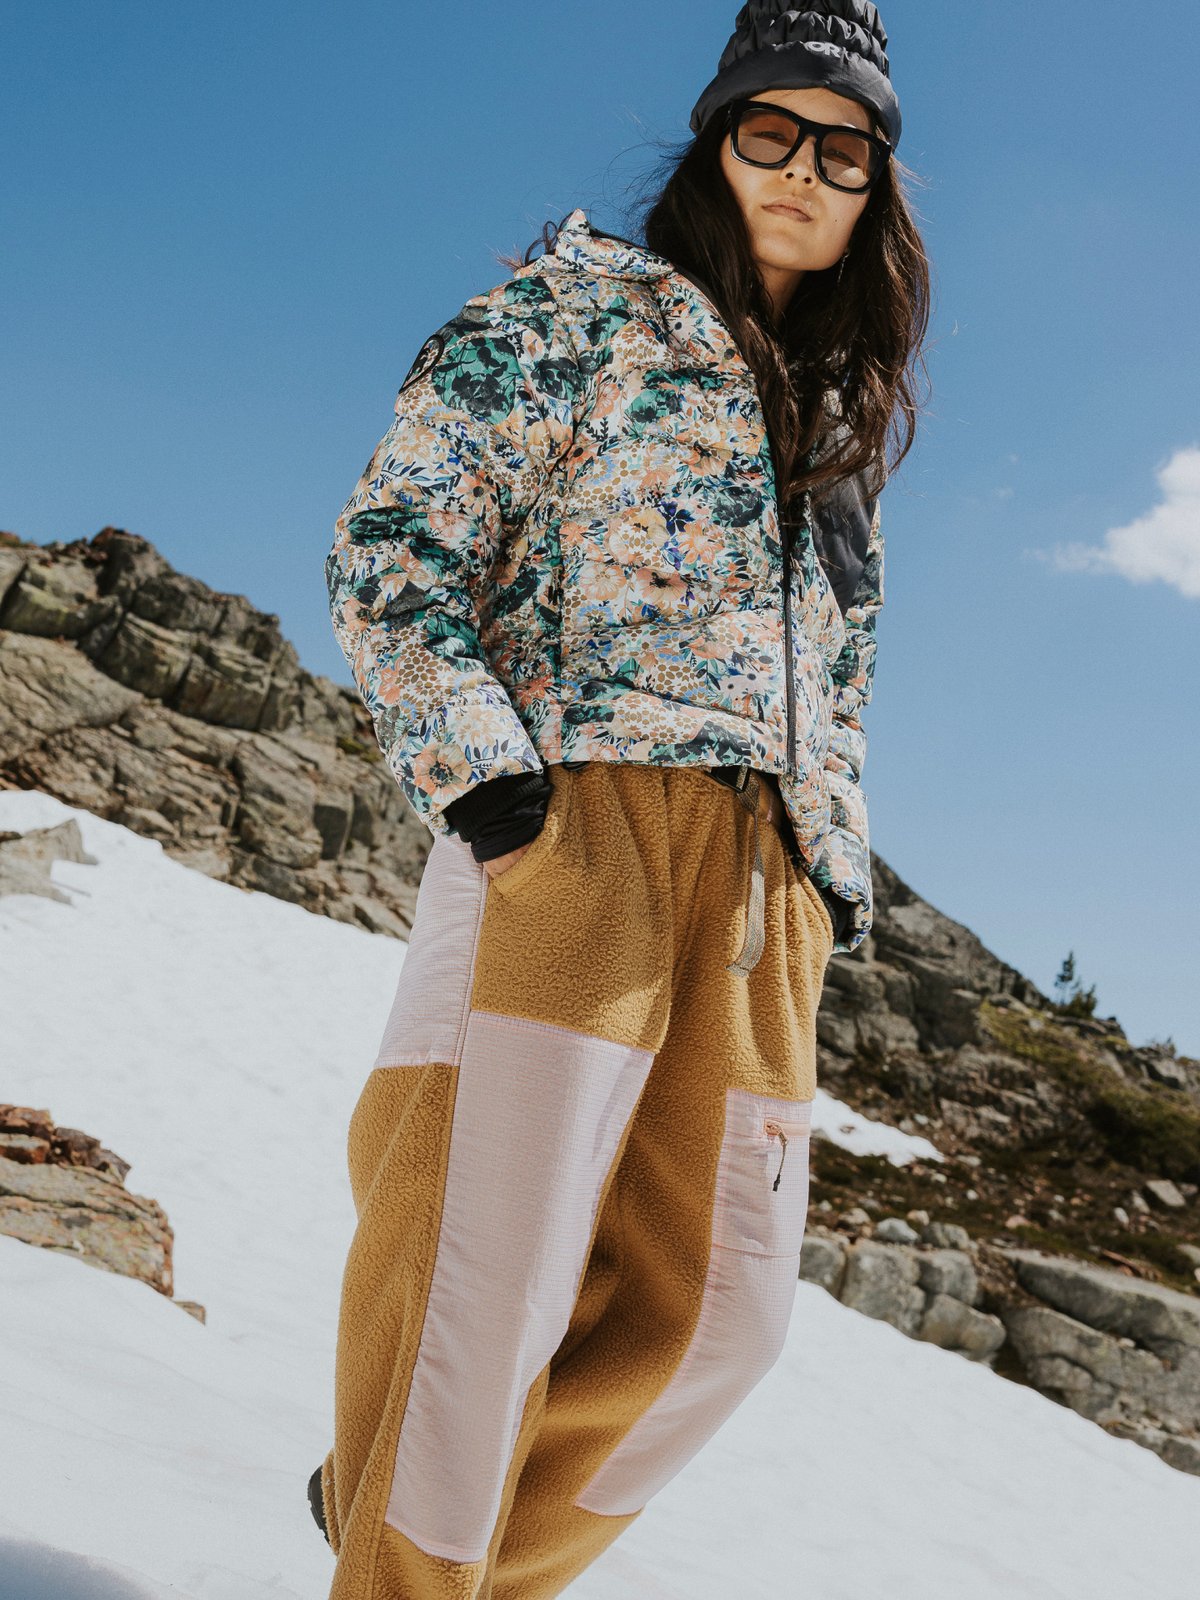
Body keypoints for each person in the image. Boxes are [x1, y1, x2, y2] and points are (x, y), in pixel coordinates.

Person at [314, 3, 930, 1594]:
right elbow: (393, 552)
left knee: (719, 1323)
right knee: (479, 1294)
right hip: (576, 824)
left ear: (878, 184)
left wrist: (826, 876)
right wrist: (501, 798)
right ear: (717, 139)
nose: (801, 168)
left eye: (841, 146)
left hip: (761, 897)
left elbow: (843, 682)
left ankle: (420, 1536)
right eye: (768, 131)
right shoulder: (567, 315)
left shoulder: (842, 422)